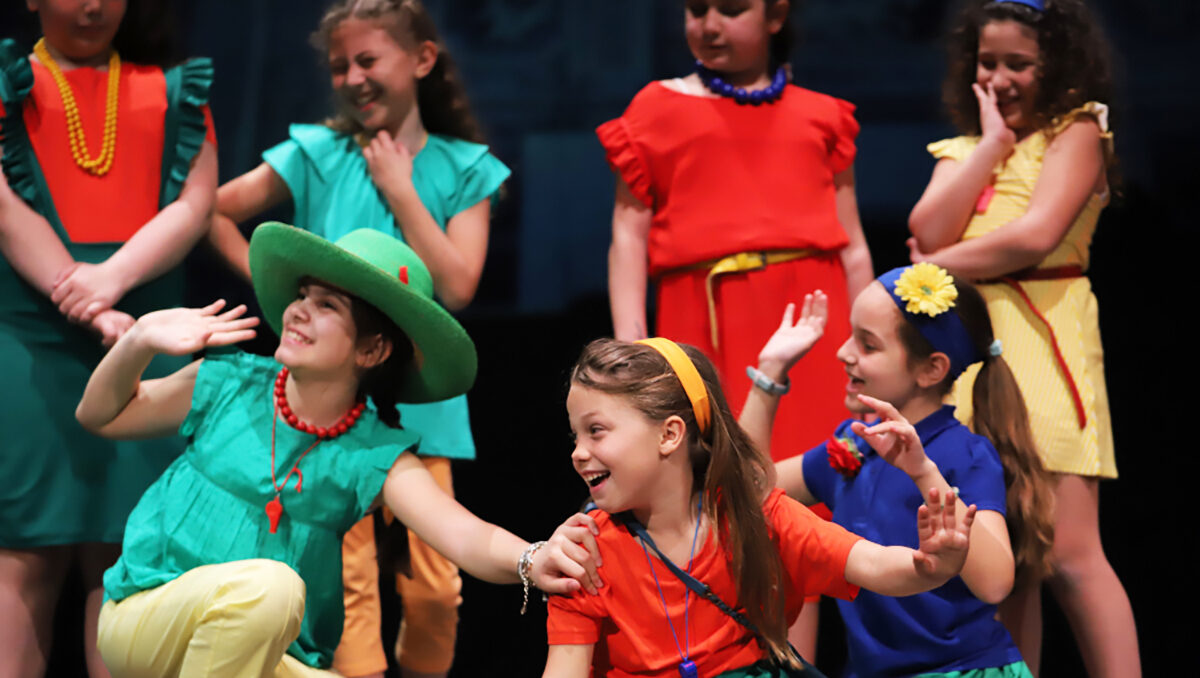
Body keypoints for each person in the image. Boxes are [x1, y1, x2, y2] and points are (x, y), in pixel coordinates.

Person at [79, 223, 588, 677]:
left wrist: (533, 557)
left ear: (371, 350)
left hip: (259, 651)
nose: (298, 309)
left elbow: (464, 535)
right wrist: (140, 340)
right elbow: (99, 415)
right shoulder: (227, 383)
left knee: (269, 608)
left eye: (327, 305)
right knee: (271, 589)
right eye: (304, 295)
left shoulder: (372, 453)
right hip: (148, 618)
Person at [206, 1, 509, 675]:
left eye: (368, 59)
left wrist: (401, 190)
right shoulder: (316, 153)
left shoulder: (463, 167)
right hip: (327, 406)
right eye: (340, 64)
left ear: (422, 60)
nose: (352, 77)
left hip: (421, 411)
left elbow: (457, 286)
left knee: (434, 586)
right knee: (346, 582)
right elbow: (218, 211)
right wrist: (282, 295)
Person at [905, 1, 1138, 674]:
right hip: (973, 360)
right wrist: (991, 148)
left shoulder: (1078, 131)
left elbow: (1036, 236)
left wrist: (931, 266)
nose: (1000, 78)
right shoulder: (961, 151)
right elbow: (928, 223)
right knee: (1002, 558)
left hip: (1046, 343)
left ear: (1055, 63)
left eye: (1019, 64)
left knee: (1068, 552)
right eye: (988, 62)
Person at [541, 332, 978, 678]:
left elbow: (874, 564)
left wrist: (934, 565)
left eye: (596, 431)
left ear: (670, 435)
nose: (578, 452)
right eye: (574, 436)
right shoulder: (585, 554)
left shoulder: (757, 517)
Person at [0, 0, 217, 674]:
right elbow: (3, 205)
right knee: (24, 539)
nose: (92, 5)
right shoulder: (8, 83)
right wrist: (92, 304)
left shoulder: (176, 87)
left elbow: (194, 204)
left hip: (149, 322)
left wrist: (115, 281)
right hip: (29, 329)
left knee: (131, 542)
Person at [746, 265, 1054, 676]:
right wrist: (769, 373)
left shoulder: (964, 453)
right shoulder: (856, 442)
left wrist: (923, 471)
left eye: (868, 345)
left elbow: (996, 583)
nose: (844, 353)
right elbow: (746, 490)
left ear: (932, 369)